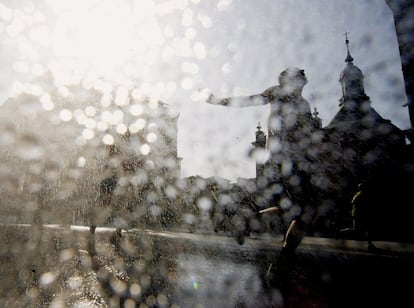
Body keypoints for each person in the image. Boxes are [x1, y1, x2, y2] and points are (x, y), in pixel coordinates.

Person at [338, 183, 378, 251]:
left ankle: (370, 245)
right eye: (364, 187)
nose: (365, 189)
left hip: (363, 215)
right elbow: (354, 202)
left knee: (367, 229)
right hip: (358, 215)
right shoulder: (359, 195)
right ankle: (339, 232)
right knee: (356, 230)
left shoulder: (363, 194)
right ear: (361, 188)